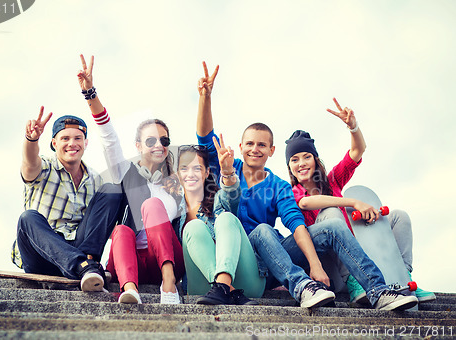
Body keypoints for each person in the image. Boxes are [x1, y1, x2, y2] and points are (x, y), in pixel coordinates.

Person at [195, 61, 418, 311]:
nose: (254, 149)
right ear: (241, 146)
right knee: (261, 231)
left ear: (271, 150)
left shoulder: (279, 186)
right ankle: (302, 287)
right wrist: (205, 96)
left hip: (271, 261)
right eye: (249, 144)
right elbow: (204, 139)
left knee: (332, 224)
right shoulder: (228, 165)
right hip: (244, 261)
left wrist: (315, 264)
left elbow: (296, 224)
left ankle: (379, 290)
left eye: (261, 145)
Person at [285, 97, 435, 303]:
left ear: (315, 159)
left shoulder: (333, 181)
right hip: (331, 264)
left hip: (359, 250)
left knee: (399, 217)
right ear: (289, 166)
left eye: (306, 157)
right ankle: (354, 281)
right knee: (331, 213)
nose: (301, 163)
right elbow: (305, 203)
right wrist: (354, 202)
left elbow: (357, 152)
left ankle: (402, 276)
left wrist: (353, 127)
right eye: (294, 159)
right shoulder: (291, 191)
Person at [77, 55, 184, 304]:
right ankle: (130, 290)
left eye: (164, 140)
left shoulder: (176, 183)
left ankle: (169, 287)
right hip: (130, 262)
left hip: (166, 263)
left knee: (152, 205)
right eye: (150, 141)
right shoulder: (127, 173)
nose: (158, 145)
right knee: (122, 230)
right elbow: (109, 138)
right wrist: (90, 94)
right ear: (138, 145)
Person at [12, 108, 124, 292]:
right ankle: (84, 266)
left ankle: (87, 264)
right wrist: (31, 139)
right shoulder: (44, 168)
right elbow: (30, 162)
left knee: (112, 190)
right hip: (41, 255)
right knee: (27, 218)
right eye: (65, 139)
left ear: (85, 143)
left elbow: (101, 224)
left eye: (77, 138)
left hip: (78, 247)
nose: (72, 143)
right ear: (54, 143)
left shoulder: (95, 179)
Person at [178, 136, 265, 305]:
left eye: (197, 168)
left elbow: (232, 196)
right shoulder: (172, 209)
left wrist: (227, 172)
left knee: (226, 217)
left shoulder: (218, 199)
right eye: (184, 168)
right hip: (202, 286)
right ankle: (226, 289)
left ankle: (224, 285)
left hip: (245, 281)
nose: (190, 174)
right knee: (193, 227)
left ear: (207, 172)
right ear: (177, 174)